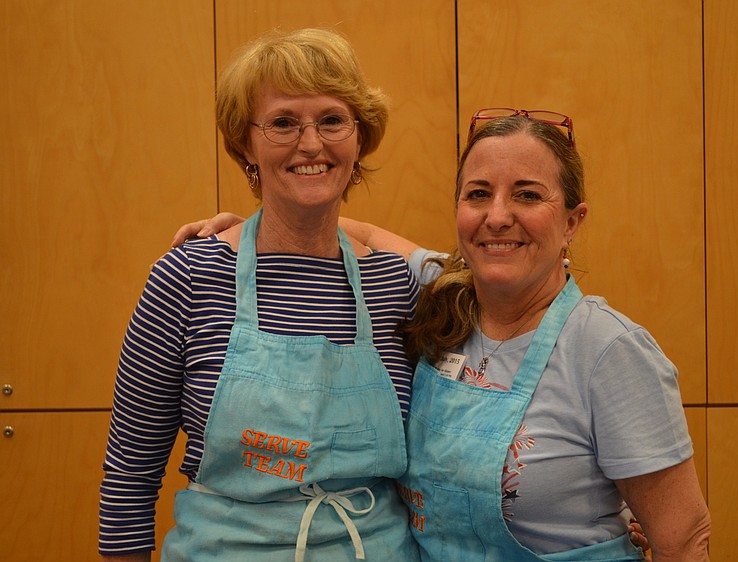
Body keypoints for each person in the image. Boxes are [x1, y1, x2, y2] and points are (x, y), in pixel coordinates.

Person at [175, 109, 710, 560]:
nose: (497, 217)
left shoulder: (608, 350)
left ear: (573, 221)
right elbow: (344, 229)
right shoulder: (439, 297)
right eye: (479, 194)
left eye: (527, 195)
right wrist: (242, 230)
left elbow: (684, 537)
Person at [98, 28, 422, 561]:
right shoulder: (189, 276)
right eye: (283, 123)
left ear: (360, 135)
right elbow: (130, 476)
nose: (311, 143)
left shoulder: (396, 285)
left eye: (332, 120)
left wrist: (345, 226)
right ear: (244, 143)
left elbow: (484, 271)